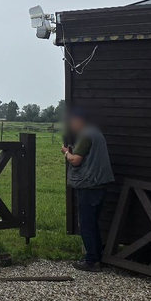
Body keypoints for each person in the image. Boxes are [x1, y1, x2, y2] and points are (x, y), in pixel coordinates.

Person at [62, 106, 114, 272]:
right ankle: (98, 256)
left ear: (79, 121)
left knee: (86, 223)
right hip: (100, 184)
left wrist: (66, 153)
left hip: (89, 184)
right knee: (93, 221)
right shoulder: (96, 133)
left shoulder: (86, 135)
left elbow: (76, 160)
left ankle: (91, 260)